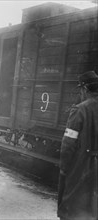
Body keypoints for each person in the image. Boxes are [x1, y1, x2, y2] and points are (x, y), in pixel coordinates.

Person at [57, 70, 98, 220]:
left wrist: (64, 167)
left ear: (85, 89)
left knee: (72, 206)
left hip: (81, 165)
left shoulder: (80, 110)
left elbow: (68, 143)